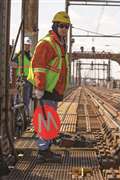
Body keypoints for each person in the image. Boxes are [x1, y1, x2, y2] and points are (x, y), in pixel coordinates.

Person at [27, 11, 71, 162]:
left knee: (48, 119)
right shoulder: (47, 43)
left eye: (67, 26)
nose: (64, 29)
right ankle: (43, 152)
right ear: (55, 25)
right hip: (46, 89)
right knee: (46, 120)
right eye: (61, 26)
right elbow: (39, 66)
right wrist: (39, 87)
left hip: (53, 89)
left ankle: (45, 149)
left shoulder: (59, 43)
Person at [12, 37, 33, 117]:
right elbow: (13, 66)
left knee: (27, 99)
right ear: (23, 45)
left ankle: (25, 116)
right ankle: (18, 116)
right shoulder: (18, 55)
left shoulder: (31, 56)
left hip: (29, 80)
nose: (27, 46)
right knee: (18, 99)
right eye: (26, 45)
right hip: (19, 79)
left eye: (28, 45)